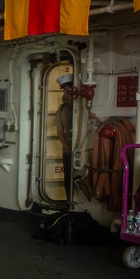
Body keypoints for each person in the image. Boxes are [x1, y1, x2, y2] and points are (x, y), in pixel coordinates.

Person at [55, 72, 74, 200]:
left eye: (70, 88)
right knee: (68, 179)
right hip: (67, 149)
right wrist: (66, 146)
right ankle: (69, 203)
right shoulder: (62, 109)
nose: (67, 92)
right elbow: (60, 130)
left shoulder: (82, 106)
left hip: (80, 147)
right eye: (65, 89)